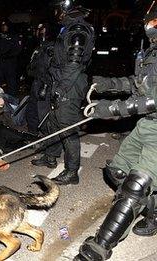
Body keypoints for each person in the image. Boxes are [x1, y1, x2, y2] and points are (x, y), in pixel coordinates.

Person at [74, 4, 157, 260]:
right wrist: (107, 84)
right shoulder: (151, 52)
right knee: (116, 172)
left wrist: (110, 109)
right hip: (147, 124)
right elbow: (139, 85)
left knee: (136, 186)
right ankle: (152, 209)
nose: (151, 26)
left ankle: (97, 249)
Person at [31, 0, 95, 185]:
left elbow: (73, 65)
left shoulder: (77, 30)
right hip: (60, 80)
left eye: (58, 8)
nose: (56, 12)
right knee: (53, 122)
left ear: (66, 8)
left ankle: (72, 171)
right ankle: (50, 156)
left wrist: (60, 89)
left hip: (70, 84)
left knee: (67, 128)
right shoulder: (68, 28)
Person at [25, 23, 55, 134]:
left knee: (43, 115)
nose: (38, 32)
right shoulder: (39, 48)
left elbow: (54, 70)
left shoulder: (52, 48)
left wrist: (48, 83)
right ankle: (33, 135)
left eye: (41, 30)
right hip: (36, 84)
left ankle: (48, 139)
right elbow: (31, 66)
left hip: (46, 86)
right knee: (31, 112)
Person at [0, 18, 22, 97]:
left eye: (5, 26)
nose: (4, 27)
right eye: (2, 26)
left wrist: (7, 55)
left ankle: (12, 100)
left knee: (11, 83)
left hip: (10, 63)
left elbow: (17, 49)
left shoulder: (14, 36)